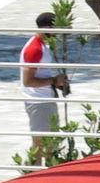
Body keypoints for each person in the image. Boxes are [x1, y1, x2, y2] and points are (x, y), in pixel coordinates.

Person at [20, 12, 69, 163]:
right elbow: (28, 81)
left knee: (49, 144)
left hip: (44, 100)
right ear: (47, 27)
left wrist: (55, 82)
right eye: (56, 28)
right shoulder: (35, 49)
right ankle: (34, 174)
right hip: (38, 102)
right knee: (40, 145)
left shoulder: (42, 46)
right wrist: (53, 80)